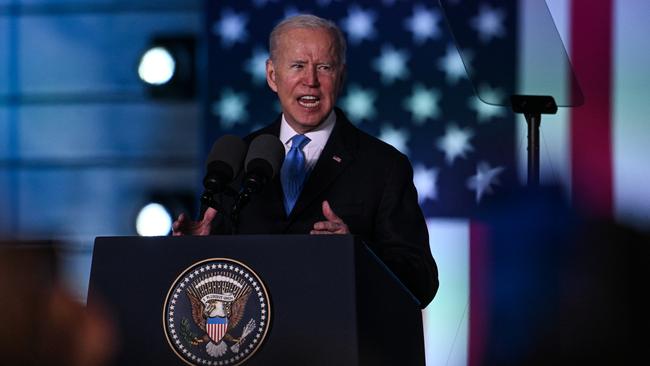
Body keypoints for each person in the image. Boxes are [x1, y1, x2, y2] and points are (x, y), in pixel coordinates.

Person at [173, 14, 438, 308]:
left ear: (340, 76)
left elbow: (421, 282)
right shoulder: (237, 158)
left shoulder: (384, 166)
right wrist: (194, 251)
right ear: (273, 76)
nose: (311, 81)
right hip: (252, 346)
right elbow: (211, 280)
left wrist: (356, 255)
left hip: (339, 346)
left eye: (324, 67)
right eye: (298, 66)